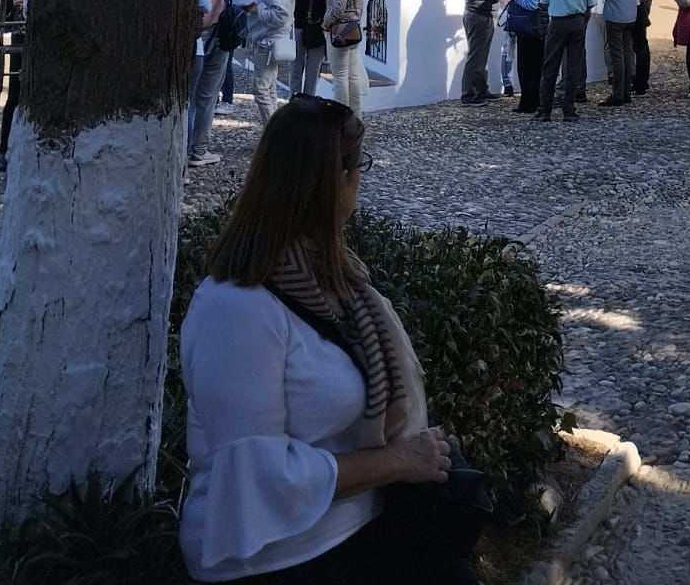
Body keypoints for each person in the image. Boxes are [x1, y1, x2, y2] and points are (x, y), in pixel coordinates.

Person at [180, 97, 476, 584]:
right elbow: (259, 477)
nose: (361, 178)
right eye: (360, 164)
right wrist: (398, 460)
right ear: (333, 179)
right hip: (274, 556)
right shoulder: (236, 310)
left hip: (360, 525)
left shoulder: (330, 279)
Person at [190, 0, 254, 167]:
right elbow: (249, 1)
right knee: (207, 98)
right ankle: (199, 150)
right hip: (217, 40)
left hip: (191, 40)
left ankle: (183, 148)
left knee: (187, 98)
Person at [536, 0, 597, 123]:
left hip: (558, 22)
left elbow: (543, 1)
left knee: (550, 66)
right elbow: (591, 2)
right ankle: (568, 109)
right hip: (577, 22)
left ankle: (545, 110)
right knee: (573, 66)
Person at [247, 0, 297, 127]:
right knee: (269, 89)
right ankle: (276, 131)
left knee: (260, 89)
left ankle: (272, 133)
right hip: (264, 38)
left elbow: (280, 15)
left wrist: (257, 8)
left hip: (269, 41)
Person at [459, 0, 508, 105]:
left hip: (475, 15)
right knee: (476, 57)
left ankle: (481, 91)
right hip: (481, 17)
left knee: (480, 56)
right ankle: (470, 95)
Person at [0, 0, 35, 170]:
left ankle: (12, 150)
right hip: (24, 38)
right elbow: (20, 1)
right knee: (16, 95)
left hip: (28, 38)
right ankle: (5, 151)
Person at [323, 0, 368, 115]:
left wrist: (325, 24)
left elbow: (337, 10)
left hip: (339, 32)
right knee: (353, 76)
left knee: (340, 76)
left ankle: (341, 114)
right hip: (353, 32)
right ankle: (355, 114)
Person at [597, 0, 638, 107]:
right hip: (631, 14)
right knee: (628, 52)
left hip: (615, 14)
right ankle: (627, 91)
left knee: (617, 54)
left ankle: (617, 93)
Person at [506, 0, 549, 113]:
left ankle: (527, 103)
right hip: (542, 30)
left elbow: (532, 4)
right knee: (538, 68)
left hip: (529, 31)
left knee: (525, 68)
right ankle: (537, 100)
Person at [294, 0, 334, 98]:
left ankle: (308, 100)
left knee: (313, 69)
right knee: (296, 67)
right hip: (298, 26)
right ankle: (295, 99)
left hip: (317, 27)